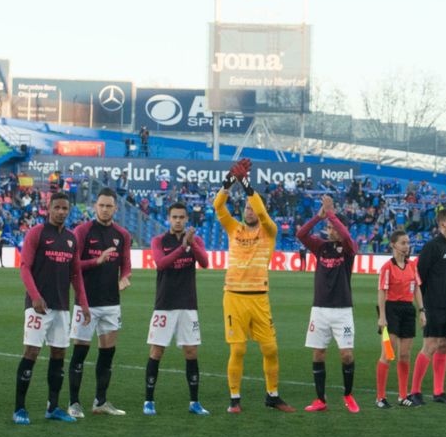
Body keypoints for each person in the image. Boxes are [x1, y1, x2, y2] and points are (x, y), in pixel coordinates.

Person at [213, 160, 292, 412]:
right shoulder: (233, 228)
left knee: (270, 348)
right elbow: (218, 206)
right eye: (246, 207)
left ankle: (272, 395)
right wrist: (229, 181)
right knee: (238, 350)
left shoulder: (269, 230)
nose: (249, 210)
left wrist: (245, 183)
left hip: (259, 297)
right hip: (234, 297)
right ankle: (234, 400)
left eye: (252, 207)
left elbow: (259, 207)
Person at [17, 192, 90, 425]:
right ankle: (19, 408)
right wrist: (35, 296)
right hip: (37, 307)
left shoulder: (71, 238)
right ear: (48, 209)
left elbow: (76, 274)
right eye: (57, 207)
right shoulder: (37, 233)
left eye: (65, 208)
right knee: (31, 352)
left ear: (69, 211)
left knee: (59, 354)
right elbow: (24, 268)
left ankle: (53, 407)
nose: (61, 212)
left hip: (61, 307)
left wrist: (84, 304)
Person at [70, 189, 134, 417]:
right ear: (95, 206)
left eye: (109, 206)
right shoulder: (83, 231)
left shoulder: (122, 235)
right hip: (86, 302)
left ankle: (101, 401)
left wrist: (125, 277)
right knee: (80, 352)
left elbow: (126, 263)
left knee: (107, 354)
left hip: (111, 303)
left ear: (116, 208)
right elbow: (73, 264)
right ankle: (74, 403)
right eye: (101, 205)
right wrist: (97, 260)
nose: (105, 209)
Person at [295, 195, 360, 413]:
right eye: (328, 227)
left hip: (342, 310)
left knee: (347, 354)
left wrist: (331, 212)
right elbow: (301, 234)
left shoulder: (349, 248)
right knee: (318, 353)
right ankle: (320, 399)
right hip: (320, 309)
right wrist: (319, 216)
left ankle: (348, 395)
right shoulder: (321, 247)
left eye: (333, 227)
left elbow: (347, 236)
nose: (329, 230)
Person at [145, 201, 208, 415]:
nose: (178, 221)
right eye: (175, 217)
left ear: (187, 219)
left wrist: (192, 245)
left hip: (188, 304)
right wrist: (183, 247)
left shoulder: (195, 240)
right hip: (165, 304)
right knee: (157, 350)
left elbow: (205, 262)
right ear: (169, 218)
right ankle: (149, 401)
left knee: (191, 351)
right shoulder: (159, 241)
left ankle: (194, 402)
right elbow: (161, 264)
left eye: (182, 217)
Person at [416, 207, 446, 403]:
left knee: (443, 346)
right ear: (442, 223)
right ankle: (415, 391)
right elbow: (420, 278)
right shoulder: (431, 247)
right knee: (430, 346)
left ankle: (438, 391)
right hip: (434, 306)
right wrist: (424, 307)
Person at [376, 229, 424, 407]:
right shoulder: (387, 268)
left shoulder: (412, 266)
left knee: (405, 354)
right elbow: (382, 292)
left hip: (407, 311)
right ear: (393, 245)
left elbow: (417, 288)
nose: (406, 246)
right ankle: (380, 397)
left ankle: (403, 396)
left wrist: (422, 310)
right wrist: (382, 317)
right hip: (391, 311)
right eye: (403, 243)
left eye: (407, 243)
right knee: (388, 353)